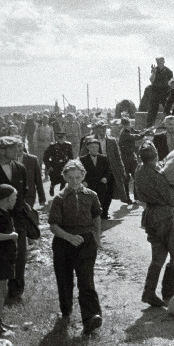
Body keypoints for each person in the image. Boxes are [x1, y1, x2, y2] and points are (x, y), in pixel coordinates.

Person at [48, 160, 103, 335]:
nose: (74, 181)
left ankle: (90, 317)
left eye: (78, 177)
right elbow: (53, 226)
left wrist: (96, 237)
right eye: (70, 177)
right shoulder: (59, 198)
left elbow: (96, 217)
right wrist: (69, 237)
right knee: (64, 280)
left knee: (86, 279)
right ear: (64, 177)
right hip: (64, 242)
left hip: (86, 242)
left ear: (83, 176)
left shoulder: (91, 195)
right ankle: (66, 311)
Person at [134, 141, 174, 306]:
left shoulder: (139, 170)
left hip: (150, 216)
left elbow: (138, 194)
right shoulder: (157, 175)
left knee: (158, 257)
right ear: (156, 156)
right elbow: (170, 197)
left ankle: (149, 293)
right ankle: (167, 291)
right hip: (166, 216)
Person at [0, 138, 28, 303]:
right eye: (13, 148)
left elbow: (23, 195)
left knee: (20, 255)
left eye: (18, 147)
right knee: (0, 258)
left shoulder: (20, 168)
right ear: (1, 151)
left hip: (18, 221)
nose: (17, 150)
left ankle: (16, 291)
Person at [81, 120, 130, 206]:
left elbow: (118, 157)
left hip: (109, 168)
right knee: (96, 188)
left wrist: (122, 171)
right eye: (100, 128)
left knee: (109, 189)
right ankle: (97, 208)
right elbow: (82, 155)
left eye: (104, 128)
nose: (102, 130)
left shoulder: (112, 140)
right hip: (95, 167)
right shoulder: (89, 139)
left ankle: (104, 210)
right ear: (96, 129)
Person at [0, 185, 19, 337]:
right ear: (8, 199)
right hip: (0, 259)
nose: (15, 201)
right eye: (14, 198)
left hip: (0, 258)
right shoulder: (1, 216)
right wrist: (12, 236)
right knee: (1, 291)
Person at [79, 138, 113, 220]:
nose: (94, 149)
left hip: (100, 182)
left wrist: (105, 177)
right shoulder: (83, 159)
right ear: (88, 148)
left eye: (96, 147)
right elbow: (79, 172)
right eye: (92, 147)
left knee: (103, 197)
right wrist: (83, 181)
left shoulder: (103, 158)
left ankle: (103, 213)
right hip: (89, 184)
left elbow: (108, 170)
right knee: (89, 200)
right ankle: (89, 215)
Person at [118, 118, 148, 203]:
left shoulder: (129, 129)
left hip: (132, 156)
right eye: (126, 125)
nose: (128, 126)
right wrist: (144, 133)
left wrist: (145, 130)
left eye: (129, 124)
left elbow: (137, 132)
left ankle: (137, 196)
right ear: (123, 125)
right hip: (125, 157)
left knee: (136, 176)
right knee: (126, 178)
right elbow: (136, 137)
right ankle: (127, 198)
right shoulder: (124, 133)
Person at [15, 138, 45, 212]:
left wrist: (42, 198)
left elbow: (38, 180)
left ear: (23, 146)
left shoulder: (32, 159)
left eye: (20, 146)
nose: (18, 149)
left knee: (27, 214)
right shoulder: (8, 160)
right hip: (14, 196)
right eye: (15, 146)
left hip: (29, 195)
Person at [142, 57, 174, 128]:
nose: (159, 64)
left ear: (164, 61)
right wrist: (153, 72)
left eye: (160, 62)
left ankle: (171, 125)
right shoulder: (155, 70)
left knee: (167, 110)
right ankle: (149, 128)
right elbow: (151, 80)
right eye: (158, 62)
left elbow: (171, 83)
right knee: (152, 111)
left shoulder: (169, 71)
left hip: (165, 92)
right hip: (155, 92)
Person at [43, 131, 74, 197]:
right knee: (54, 180)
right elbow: (45, 157)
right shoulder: (52, 146)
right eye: (59, 138)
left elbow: (71, 156)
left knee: (63, 181)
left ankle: (61, 195)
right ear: (57, 139)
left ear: (65, 138)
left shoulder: (68, 145)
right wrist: (49, 166)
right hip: (55, 166)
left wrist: (70, 165)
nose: (61, 140)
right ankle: (52, 187)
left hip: (64, 166)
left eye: (62, 138)